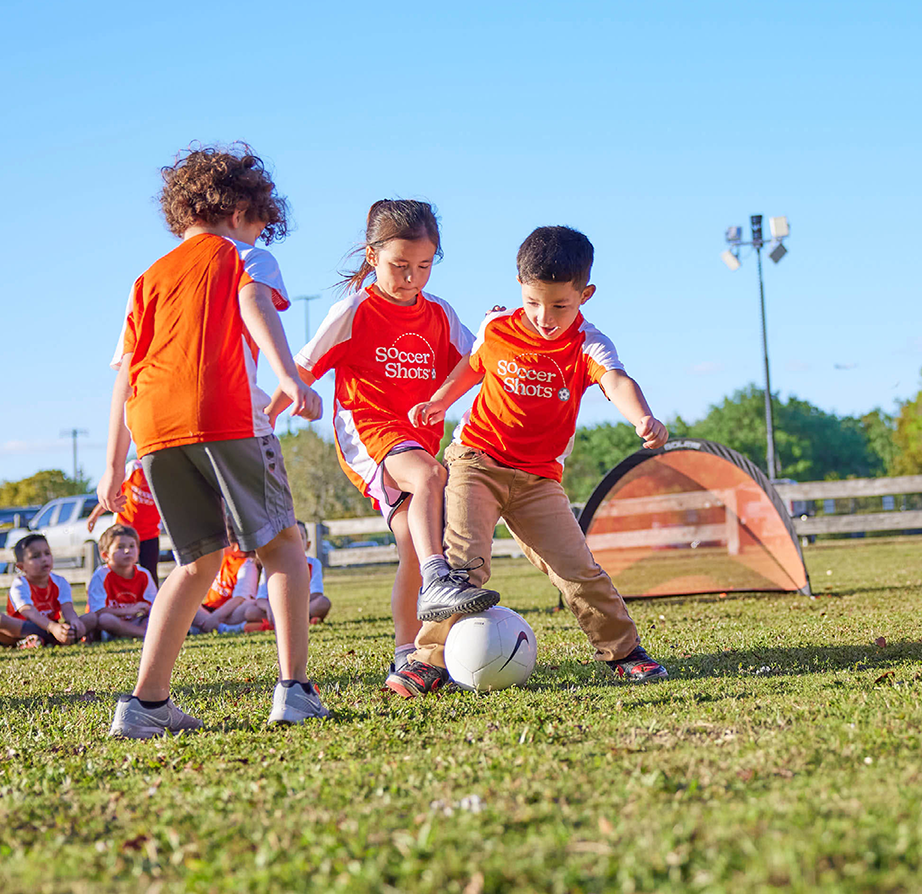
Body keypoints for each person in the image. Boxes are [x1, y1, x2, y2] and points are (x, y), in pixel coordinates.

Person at [98, 142, 328, 738]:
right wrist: (287, 375)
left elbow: (125, 372)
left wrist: (111, 466)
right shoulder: (244, 254)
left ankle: (146, 705)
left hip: (153, 427)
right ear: (240, 208)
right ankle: (295, 690)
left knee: (195, 561)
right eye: (259, 221)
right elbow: (253, 300)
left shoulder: (146, 278)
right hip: (221, 411)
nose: (260, 232)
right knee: (282, 543)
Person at [386, 226, 671, 698]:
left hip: (539, 479)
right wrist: (440, 400)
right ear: (520, 286)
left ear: (586, 294)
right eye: (535, 302)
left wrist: (643, 416)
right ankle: (427, 661)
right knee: (462, 568)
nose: (545, 316)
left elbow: (617, 380)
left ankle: (624, 652)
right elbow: (473, 366)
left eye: (561, 305)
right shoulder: (497, 326)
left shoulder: (587, 343)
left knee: (578, 569)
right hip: (476, 463)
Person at [267, 199, 498, 683]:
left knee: (413, 545)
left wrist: (494, 335)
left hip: (418, 439)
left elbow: (474, 364)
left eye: (423, 266)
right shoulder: (354, 310)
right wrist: (264, 420)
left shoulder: (439, 314)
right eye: (399, 266)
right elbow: (302, 370)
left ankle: (406, 651)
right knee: (431, 476)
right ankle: (439, 579)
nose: (412, 277)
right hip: (369, 434)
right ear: (372, 257)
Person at [0, 534, 89, 648]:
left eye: (47, 553)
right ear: (21, 567)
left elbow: (67, 609)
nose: (44, 559)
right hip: (22, 630)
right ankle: (35, 640)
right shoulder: (20, 585)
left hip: (54, 629)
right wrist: (51, 627)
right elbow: (29, 612)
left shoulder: (60, 582)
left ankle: (55, 638)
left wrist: (74, 621)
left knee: (91, 618)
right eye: (35, 556)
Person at [85, 459, 162, 581]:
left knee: (149, 573)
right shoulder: (134, 468)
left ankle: (149, 599)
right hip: (124, 531)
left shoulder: (164, 473)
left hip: (149, 533)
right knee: (120, 568)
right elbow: (113, 494)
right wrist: (95, 515)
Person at [247, 521, 330, 629]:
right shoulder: (271, 565)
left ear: (308, 544)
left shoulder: (313, 564)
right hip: (276, 609)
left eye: (300, 537)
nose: (296, 542)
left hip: (302, 607)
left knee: (323, 603)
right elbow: (261, 598)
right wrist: (269, 608)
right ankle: (301, 621)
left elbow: (316, 594)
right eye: (290, 538)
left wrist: (293, 607)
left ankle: (283, 623)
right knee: (250, 611)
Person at [86, 523, 156, 641]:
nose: (127, 550)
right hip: (111, 622)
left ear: (138, 551)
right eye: (120, 547)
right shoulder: (101, 575)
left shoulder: (144, 574)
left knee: (156, 617)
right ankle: (146, 635)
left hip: (135, 621)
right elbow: (98, 611)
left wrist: (146, 609)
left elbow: (154, 605)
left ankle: (130, 633)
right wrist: (129, 610)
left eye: (132, 546)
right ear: (105, 555)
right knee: (105, 619)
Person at [193, 543, 259, 634]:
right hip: (209, 609)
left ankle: (211, 627)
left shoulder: (247, 565)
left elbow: (240, 597)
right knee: (188, 604)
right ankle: (215, 627)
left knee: (249, 607)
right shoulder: (221, 558)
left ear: (235, 547)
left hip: (227, 613)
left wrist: (215, 617)